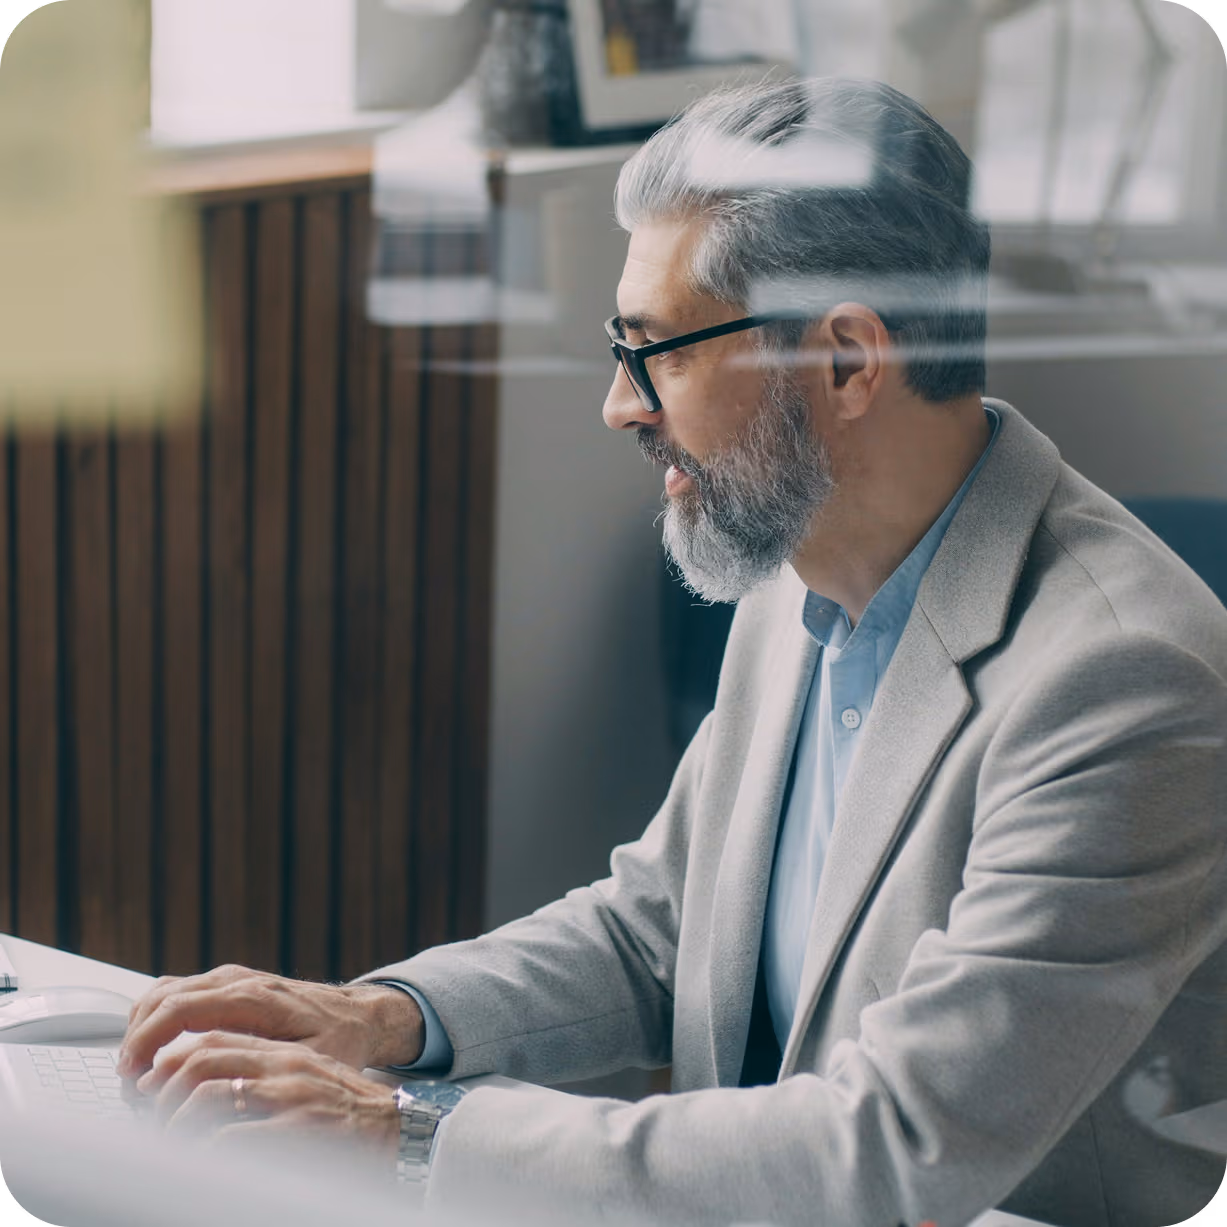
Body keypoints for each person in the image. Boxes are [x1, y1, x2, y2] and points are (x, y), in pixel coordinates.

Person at [116, 77, 1227, 1227]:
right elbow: (662, 927)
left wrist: (407, 1135)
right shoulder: (799, 557)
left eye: (658, 352)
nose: (617, 405)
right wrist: (378, 1018)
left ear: (846, 361)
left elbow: (897, 1144)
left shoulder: (1127, 685)